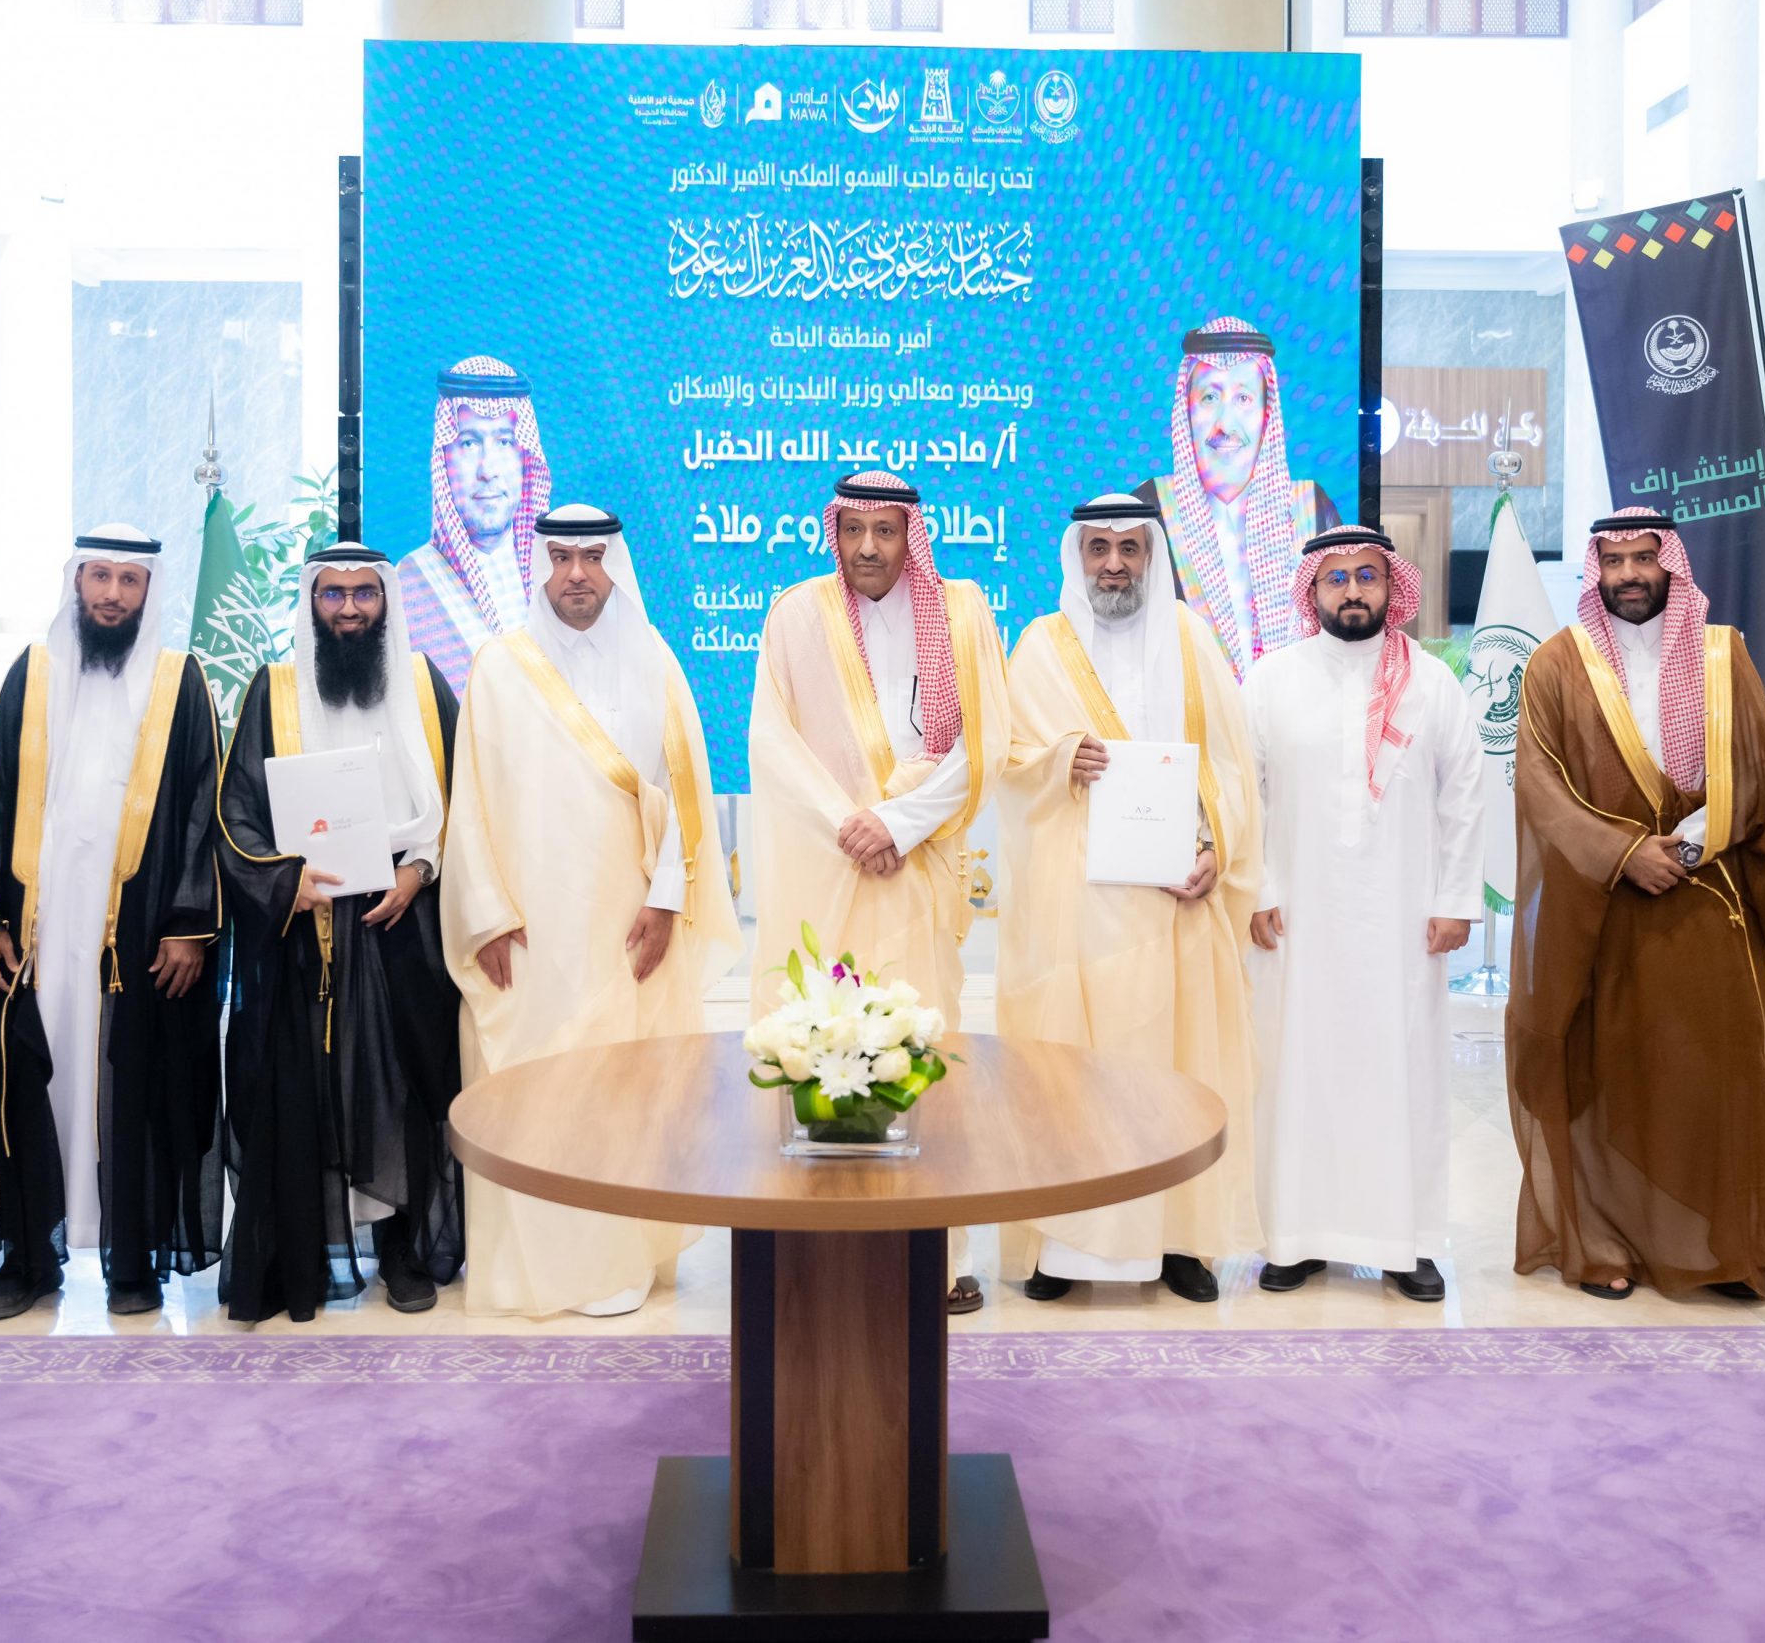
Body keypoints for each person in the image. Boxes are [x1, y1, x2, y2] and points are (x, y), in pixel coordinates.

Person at [441, 505, 738, 1318]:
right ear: (540, 564)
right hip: (531, 929)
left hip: (625, 925)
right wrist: (486, 913)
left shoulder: (655, 662)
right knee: (538, 1089)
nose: (577, 574)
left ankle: (616, 1258)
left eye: (593, 557)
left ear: (615, 565)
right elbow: (471, 803)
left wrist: (667, 899)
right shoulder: (500, 666)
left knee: (623, 1089)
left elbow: (685, 796)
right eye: (562, 557)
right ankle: (543, 1269)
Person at [1506, 507, 1765, 1301]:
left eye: (1645, 558)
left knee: (1716, 1076)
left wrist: (1685, 847)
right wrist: (1623, 854)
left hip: (1705, 899)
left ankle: (1725, 1249)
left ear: (1670, 565)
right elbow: (1539, 785)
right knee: (1607, 1077)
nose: (1630, 574)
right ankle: (1605, 1243)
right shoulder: (1557, 665)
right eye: (1615, 561)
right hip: (1599, 909)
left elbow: (1759, 773)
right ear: (1595, 571)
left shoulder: (1723, 655)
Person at [0, 526, 224, 1321]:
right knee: (22, 1081)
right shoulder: (34, 673)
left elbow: (204, 808)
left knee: (137, 1088)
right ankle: (29, 1257)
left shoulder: (179, 680)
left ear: (149, 590)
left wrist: (190, 922)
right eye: (100, 576)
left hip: (138, 933)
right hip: (37, 931)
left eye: (129, 580)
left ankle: (133, 1262)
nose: (112, 594)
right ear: (77, 581)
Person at [748, 470, 1010, 1314]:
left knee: (922, 1049)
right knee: (814, 1043)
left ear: (910, 535)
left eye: (885, 530)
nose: (868, 547)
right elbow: (772, 742)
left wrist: (897, 824)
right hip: (827, 872)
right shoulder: (795, 614)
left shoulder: (963, 613)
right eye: (853, 529)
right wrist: (852, 825)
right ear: (835, 532)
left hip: (916, 870)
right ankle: (811, 1252)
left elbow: (985, 742)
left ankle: (934, 1257)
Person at [997, 496, 1261, 1305]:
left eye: (1129, 549)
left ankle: (1178, 1240)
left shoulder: (1191, 640)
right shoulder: (1040, 647)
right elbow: (1006, 760)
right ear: (1077, 556)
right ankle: (1063, 1242)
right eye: (1099, 548)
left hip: (1172, 901)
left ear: (1151, 556)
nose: (1113, 564)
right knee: (1067, 1073)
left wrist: (1218, 849)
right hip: (1072, 908)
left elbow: (1233, 764)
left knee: (1171, 1074)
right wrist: (1058, 760)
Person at [215, 543, 463, 1323]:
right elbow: (235, 810)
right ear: (311, 603)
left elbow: (469, 796)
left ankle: (402, 1249)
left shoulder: (423, 684)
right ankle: (299, 1256)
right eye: (333, 594)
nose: (349, 609)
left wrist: (420, 870)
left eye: (364, 594)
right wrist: (283, 883)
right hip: (304, 923)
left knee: (402, 1086)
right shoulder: (275, 689)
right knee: (305, 1087)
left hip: (404, 920)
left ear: (386, 601)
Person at [1245, 528, 1486, 1301]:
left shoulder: (1432, 683)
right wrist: (1258, 887)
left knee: (1403, 1073)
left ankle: (1405, 1242)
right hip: (1297, 919)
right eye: (1337, 577)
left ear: (1392, 586)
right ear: (1312, 591)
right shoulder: (1271, 679)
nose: (1353, 590)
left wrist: (1456, 898)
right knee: (1298, 1069)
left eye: (1368, 576)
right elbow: (1244, 792)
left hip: (1403, 920)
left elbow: (1465, 794)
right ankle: (1296, 1238)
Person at [1133, 316, 1341, 678]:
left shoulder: (1310, 508)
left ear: (1265, 413)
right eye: (1209, 397)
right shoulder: (1150, 510)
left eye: (1243, 398)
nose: (1225, 424)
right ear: (1187, 411)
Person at [397, 355, 555, 694]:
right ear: (445, 458)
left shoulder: (558, 573)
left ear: (525, 457)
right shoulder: (409, 584)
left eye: (505, 442)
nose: (488, 469)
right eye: (469, 443)